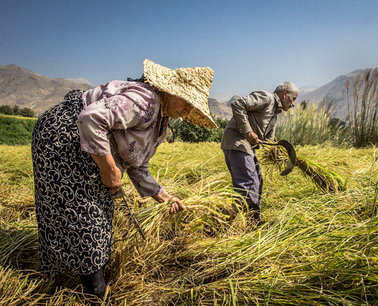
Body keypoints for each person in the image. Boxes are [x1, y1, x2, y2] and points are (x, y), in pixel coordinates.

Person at [31, 59, 217, 302]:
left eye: (194, 108)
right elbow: (90, 118)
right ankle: (93, 292)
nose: (188, 111)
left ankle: (78, 278)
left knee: (97, 213)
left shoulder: (160, 121)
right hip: (64, 137)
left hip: (85, 142)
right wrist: (109, 169)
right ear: (171, 91)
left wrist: (161, 195)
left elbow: (137, 163)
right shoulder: (145, 100)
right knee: (85, 215)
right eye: (187, 102)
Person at [221, 82, 298, 225]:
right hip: (237, 142)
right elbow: (238, 104)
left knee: (258, 182)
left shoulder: (275, 113)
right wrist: (247, 130)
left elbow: (268, 140)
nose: (293, 104)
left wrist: (282, 155)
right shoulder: (266, 98)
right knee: (249, 183)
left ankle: (252, 219)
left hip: (248, 147)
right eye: (293, 99)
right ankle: (227, 221)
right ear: (285, 93)